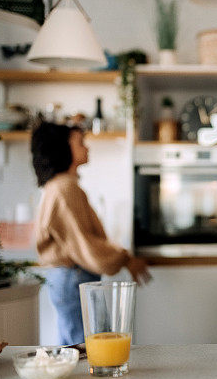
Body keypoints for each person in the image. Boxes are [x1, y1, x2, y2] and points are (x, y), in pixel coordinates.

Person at [32, 122, 150, 345]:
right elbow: (85, 245)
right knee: (88, 350)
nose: (87, 148)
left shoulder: (60, 186)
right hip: (74, 278)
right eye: (80, 143)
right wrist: (125, 259)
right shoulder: (65, 188)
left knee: (76, 348)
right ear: (64, 149)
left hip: (69, 278)